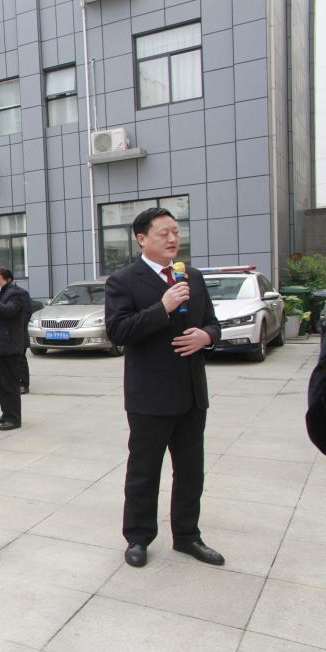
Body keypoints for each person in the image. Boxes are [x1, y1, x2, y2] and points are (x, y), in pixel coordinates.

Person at [105, 207, 223, 569]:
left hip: (191, 393)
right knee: (144, 471)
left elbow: (213, 323)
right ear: (142, 239)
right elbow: (118, 332)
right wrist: (163, 307)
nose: (173, 238)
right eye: (164, 233)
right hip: (150, 396)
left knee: (190, 471)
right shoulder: (124, 280)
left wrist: (207, 337)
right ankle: (138, 538)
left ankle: (187, 536)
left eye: (176, 231)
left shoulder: (193, 276)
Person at [0, 266, 30, 431]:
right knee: (0, 383)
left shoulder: (15, 293)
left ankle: (14, 418)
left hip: (9, 346)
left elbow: (8, 311)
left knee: (10, 383)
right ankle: (6, 413)